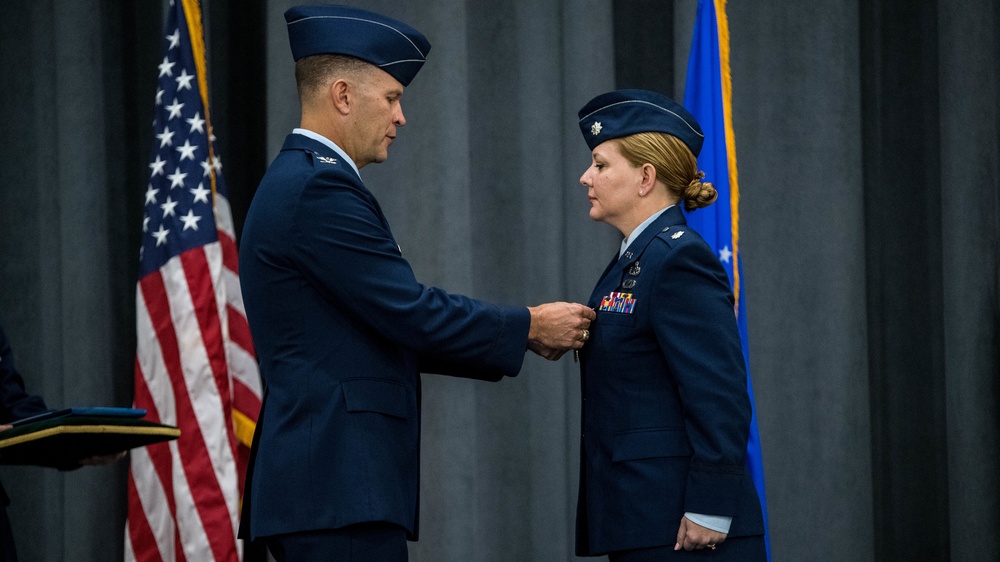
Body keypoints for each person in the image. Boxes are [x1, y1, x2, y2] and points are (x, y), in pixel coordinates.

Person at [237, 5, 594, 561]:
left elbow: (382, 324)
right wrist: (529, 325)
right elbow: (410, 311)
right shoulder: (318, 190)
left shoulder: (305, 181)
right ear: (343, 96)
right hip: (336, 489)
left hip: (327, 490)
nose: (402, 117)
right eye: (392, 97)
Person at [573, 89, 766, 561]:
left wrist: (711, 506)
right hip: (643, 517)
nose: (585, 177)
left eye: (600, 164)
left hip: (686, 526)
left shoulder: (679, 258)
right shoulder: (635, 258)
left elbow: (718, 390)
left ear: (645, 177)